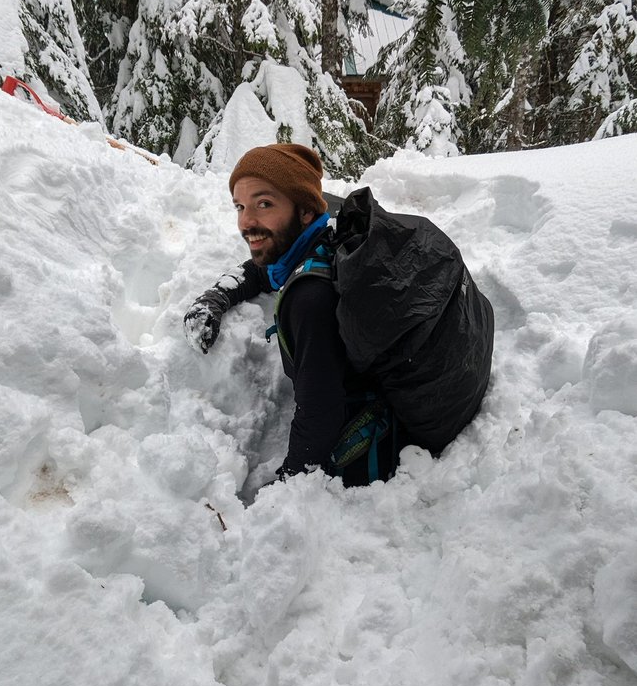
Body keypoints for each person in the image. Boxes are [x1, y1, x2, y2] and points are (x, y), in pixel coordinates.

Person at [183, 144, 494, 486]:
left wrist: (291, 484)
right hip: (456, 379)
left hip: (410, 434)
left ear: (303, 209)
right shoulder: (329, 226)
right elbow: (267, 265)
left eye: (264, 204)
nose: (246, 221)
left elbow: (320, 416)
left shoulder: (309, 300)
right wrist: (218, 295)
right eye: (240, 206)